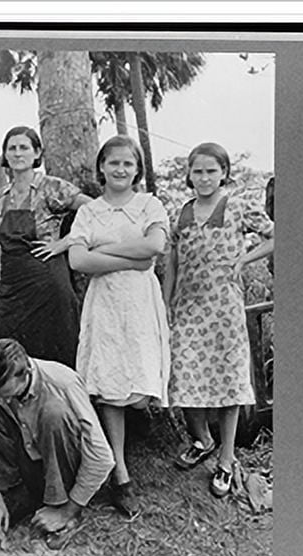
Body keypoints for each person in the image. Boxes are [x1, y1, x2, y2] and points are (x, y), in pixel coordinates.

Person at [64, 135, 171, 519]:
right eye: (113, 163)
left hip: (140, 302)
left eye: (128, 163)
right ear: (102, 168)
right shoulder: (90, 212)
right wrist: (130, 256)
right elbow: (78, 261)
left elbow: (153, 249)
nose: (121, 169)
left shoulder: (149, 204)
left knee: (138, 384)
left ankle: (132, 452)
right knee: (109, 384)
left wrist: (103, 252)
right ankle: (120, 475)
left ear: (138, 169)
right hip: (105, 302)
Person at [162, 142, 274, 498]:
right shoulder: (180, 214)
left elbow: (275, 236)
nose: (205, 177)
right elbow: (173, 265)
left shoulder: (238, 207)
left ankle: (226, 459)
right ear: (189, 175)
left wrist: (244, 260)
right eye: (198, 171)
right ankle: (202, 440)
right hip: (187, 310)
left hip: (225, 310)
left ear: (224, 173)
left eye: (212, 171)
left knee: (228, 383)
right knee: (182, 377)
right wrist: (166, 305)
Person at [0, 338, 116, 549]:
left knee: (54, 413)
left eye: (10, 395)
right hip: (27, 463)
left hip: (63, 466)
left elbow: (102, 457)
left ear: (26, 372)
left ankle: (60, 506)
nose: (6, 401)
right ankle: (15, 493)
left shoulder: (63, 383)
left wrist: (69, 509)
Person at [0, 125, 93, 368]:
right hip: (12, 285)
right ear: (5, 155)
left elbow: (96, 211)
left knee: (56, 348)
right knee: (7, 352)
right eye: (11, 148)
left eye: (24, 148)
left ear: (37, 154)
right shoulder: (0, 198)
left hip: (48, 281)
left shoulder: (52, 187)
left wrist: (65, 243)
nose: (17, 153)